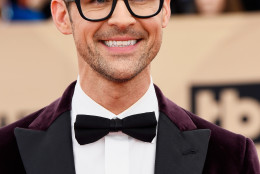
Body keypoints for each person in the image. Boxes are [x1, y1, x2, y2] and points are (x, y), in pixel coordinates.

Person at [0, 0, 259, 173]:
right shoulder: (6, 152)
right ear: (62, 16)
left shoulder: (231, 158)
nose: (122, 19)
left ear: (165, 10)